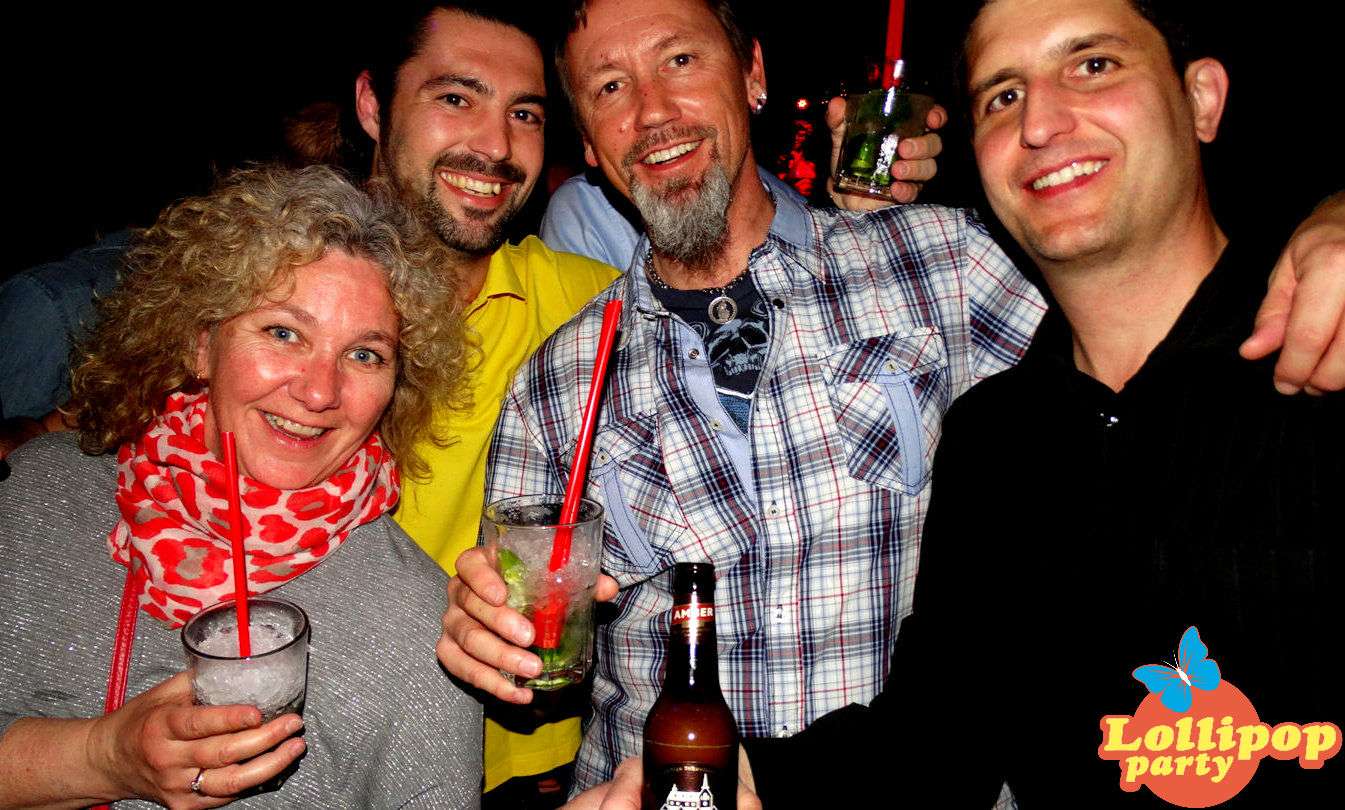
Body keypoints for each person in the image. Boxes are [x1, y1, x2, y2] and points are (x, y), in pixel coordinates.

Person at [439, 0, 1345, 796]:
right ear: (588, 143)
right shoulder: (555, 383)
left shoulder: (943, 263)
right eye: (608, 87)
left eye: (680, 59)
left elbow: (1153, 296)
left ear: (751, 76)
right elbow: (536, 651)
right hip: (669, 794)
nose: (650, 110)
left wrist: (1325, 222)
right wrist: (495, 632)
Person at [733, 0, 1344, 806]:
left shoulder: (1324, 352)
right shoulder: (993, 434)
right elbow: (939, 743)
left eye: (1092, 65)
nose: (1040, 123)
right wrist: (727, 777)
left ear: (1200, 98)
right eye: (1003, 96)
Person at [0, 164, 482, 808]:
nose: (319, 392)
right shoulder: (37, 498)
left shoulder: (416, 627)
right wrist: (102, 757)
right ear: (202, 345)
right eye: (284, 333)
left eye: (364, 354)